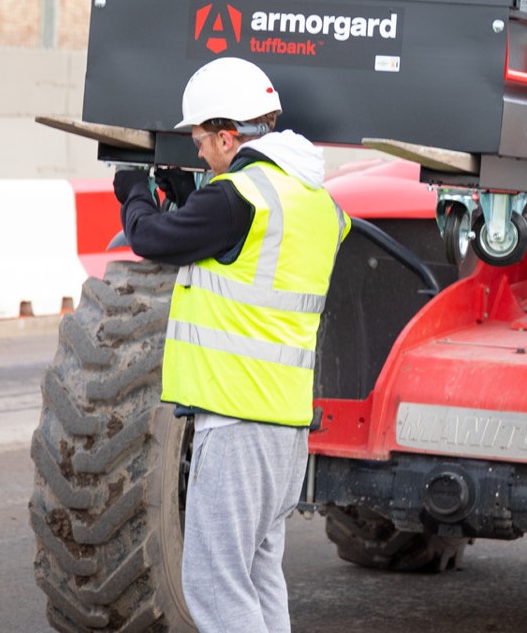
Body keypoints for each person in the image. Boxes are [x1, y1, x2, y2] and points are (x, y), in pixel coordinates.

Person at [112, 56, 350, 633]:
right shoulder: (314, 201)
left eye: (200, 140)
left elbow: (151, 237)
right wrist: (187, 195)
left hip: (237, 422)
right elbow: (234, 255)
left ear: (227, 135)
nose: (197, 151)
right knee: (258, 576)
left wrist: (134, 191)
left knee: (215, 584)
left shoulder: (236, 198)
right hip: (284, 425)